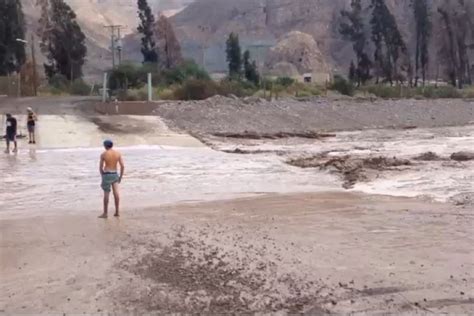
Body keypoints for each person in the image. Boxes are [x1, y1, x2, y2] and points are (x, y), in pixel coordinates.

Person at [98, 140, 125, 218]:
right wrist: (120, 177)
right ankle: (117, 212)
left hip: (107, 174)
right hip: (115, 174)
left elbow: (100, 167)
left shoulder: (103, 154)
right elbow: (122, 166)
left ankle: (105, 213)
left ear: (105, 146)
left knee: (106, 193)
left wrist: (102, 175)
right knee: (116, 193)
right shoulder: (118, 153)